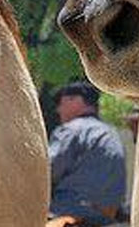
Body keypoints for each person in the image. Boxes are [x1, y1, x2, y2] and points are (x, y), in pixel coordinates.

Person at [47, 81, 126, 226]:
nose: (58, 110)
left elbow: (47, 172)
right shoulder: (111, 133)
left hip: (68, 213)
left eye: (61, 103)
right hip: (106, 217)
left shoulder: (72, 130)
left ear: (76, 100)